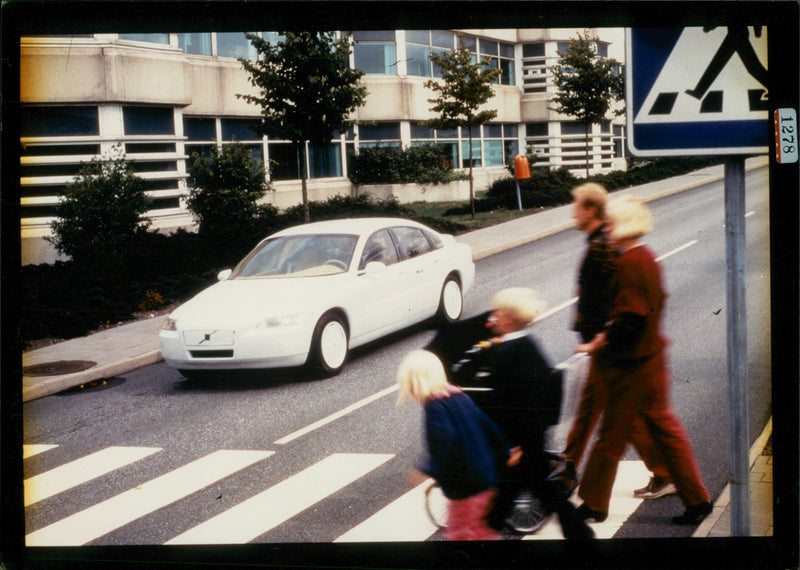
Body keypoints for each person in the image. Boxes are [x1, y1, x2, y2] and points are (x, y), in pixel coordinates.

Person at [574, 196, 713, 526]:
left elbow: (631, 317)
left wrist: (598, 341)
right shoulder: (647, 257)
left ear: (621, 224)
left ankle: (594, 504)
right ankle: (697, 499)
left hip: (632, 365)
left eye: (609, 223)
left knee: (611, 435)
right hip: (650, 358)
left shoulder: (630, 263)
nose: (605, 229)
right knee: (666, 431)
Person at [560, 183, 677, 501]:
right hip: (603, 343)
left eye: (575, 206)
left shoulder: (604, 245)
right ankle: (664, 471)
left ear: (589, 210)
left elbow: (620, 298)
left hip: (608, 345)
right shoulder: (599, 242)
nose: (572, 212)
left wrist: (600, 337)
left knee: (611, 413)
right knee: (617, 411)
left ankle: (568, 470)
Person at [456, 287, 594, 541]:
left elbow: (511, 404)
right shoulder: (526, 345)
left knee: (512, 500)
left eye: (498, 311)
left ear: (508, 317)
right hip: (527, 442)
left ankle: (581, 536)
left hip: (520, 444)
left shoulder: (510, 353)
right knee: (539, 494)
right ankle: (581, 535)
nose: (493, 316)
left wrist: (513, 445)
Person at [397, 349, 517, 541]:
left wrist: (426, 469)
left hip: (466, 487)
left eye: (408, 386)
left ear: (415, 384)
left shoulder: (434, 406)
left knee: (461, 534)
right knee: (478, 531)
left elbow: (446, 440)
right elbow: (488, 426)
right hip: (485, 478)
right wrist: (505, 451)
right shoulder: (461, 396)